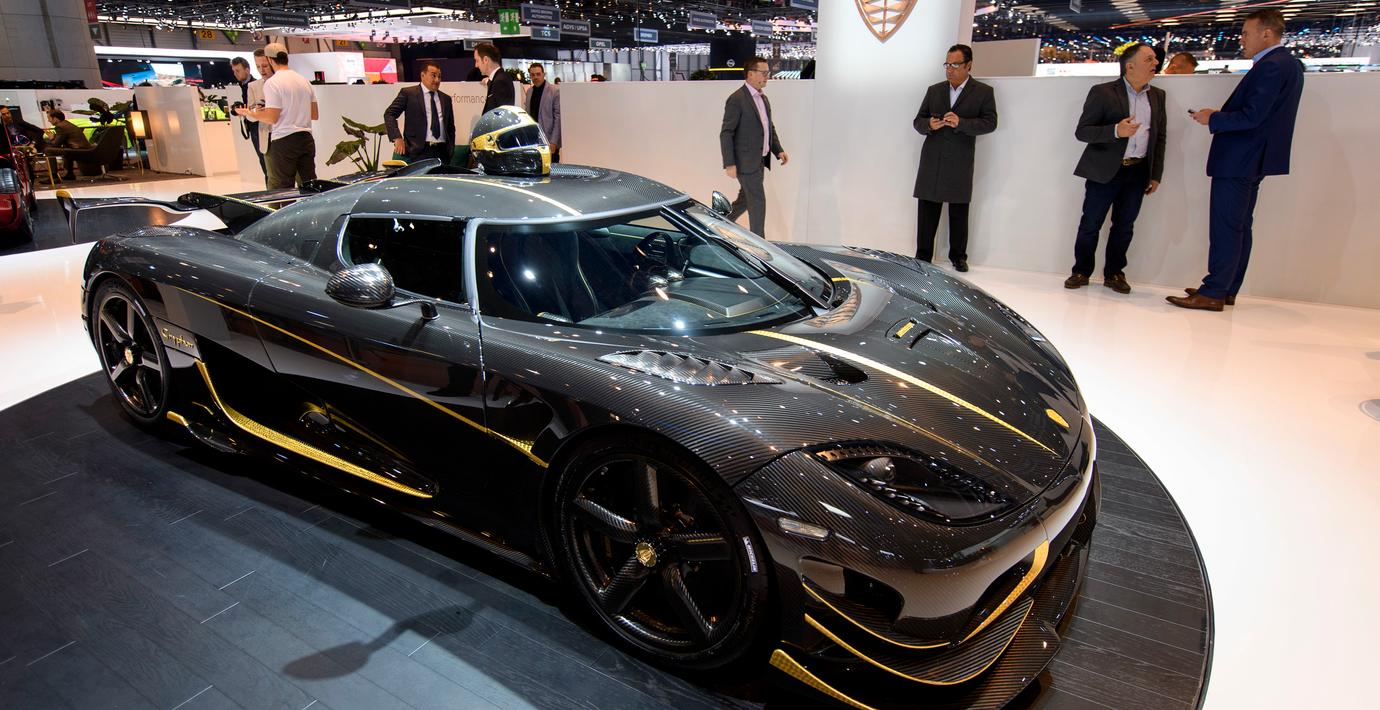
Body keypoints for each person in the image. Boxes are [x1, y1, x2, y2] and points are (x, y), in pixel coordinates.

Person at [1170, 9, 1303, 311]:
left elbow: (1252, 116)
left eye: (1245, 33)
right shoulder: (1287, 64)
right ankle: (1225, 287)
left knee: (1227, 226)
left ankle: (1214, 291)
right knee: (1239, 225)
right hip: (1253, 158)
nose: (1241, 39)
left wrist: (1213, 118)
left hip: (1240, 158)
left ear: (1266, 33)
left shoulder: (1272, 66)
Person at [1064, 43, 1166, 294]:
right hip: (1104, 170)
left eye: (1155, 60)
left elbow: (1160, 137)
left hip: (1138, 171)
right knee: (1090, 224)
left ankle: (1114, 273)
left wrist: (1155, 174)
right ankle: (1081, 271)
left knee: (1124, 226)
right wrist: (1115, 131)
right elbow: (1083, 131)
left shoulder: (1157, 96)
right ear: (1130, 66)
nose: (1155, 63)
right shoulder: (1103, 92)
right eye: (1149, 59)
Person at [912, 44, 998, 272]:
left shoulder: (983, 92)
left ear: (968, 65)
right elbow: (918, 121)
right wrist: (929, 125)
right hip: (933, 158)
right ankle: (922, 256)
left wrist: (962, 123)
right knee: (927, 208)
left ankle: (958, 256)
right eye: (947, 64)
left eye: (955, 65)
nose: (949, 69)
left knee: (959, 210)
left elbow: (990, 123)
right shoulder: (934, 90)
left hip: (961, 159)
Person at [719, 56, 789, 237]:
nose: (767, 76)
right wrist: (729, 163)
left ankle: (718, 223)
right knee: (757, 202)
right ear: (750, 74)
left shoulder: (763, 99)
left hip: (759, 161)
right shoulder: (737, 99)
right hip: (745, 162)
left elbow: (768, 127)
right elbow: (726, 133)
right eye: (763, 73)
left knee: (745, 199)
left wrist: (778, 150)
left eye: (768, 73)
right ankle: (760, 245)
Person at [237, 43, 318, 189]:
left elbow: (271, 118)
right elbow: (314, 114)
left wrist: (249, 113)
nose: (262, 69)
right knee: (310, 184)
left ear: (270, 60)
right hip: (306, 138)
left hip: (284, 140)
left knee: (282, 188)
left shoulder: (273, 83)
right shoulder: (304, 81)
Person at [384, 60, 456, 164]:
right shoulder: (408, 93)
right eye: (433, 75)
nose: (437, 80)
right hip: (419, 151)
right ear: (422, 75)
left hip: (442, 152)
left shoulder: (446, 99)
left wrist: (451, 148)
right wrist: (397, 137)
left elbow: (450, 127)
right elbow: (389, 114)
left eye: (439, 76)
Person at [230, 56, 266, 177]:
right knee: (263, 161)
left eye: (238, 70)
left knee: (265, 161)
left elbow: (259, 106)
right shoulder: (244, 85)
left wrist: (247, 111)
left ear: (247, 70)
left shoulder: (255, 85)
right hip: (254, 126)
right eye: (234, 71)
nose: (235, 74)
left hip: (259, 126)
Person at [526, 63, 561, 163]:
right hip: (534, 141)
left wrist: (554, 141)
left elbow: (558, 118)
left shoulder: (554, 91)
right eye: (533, 75)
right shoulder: (529, 92)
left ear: (543, 74)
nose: (535, 77)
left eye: (538, 74)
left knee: (552, 169)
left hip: (549, 141)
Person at [44, 109, 93, 181]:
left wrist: (51, 138)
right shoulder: (66, 124)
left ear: (55, 118)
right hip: (82, 148)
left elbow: (55, 145)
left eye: (49, 118)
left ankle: (54, 177)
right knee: (66, 149)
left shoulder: (60, 126)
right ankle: (69, 174)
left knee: (48, 150)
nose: (48, 120)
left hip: (78, 150)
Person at [474, 43, 514, 113]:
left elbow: (503, 114)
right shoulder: (498, 79)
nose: (476, 65)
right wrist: (487, 81)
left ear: (486, 60)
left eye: (477, 60)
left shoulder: (500, 82)